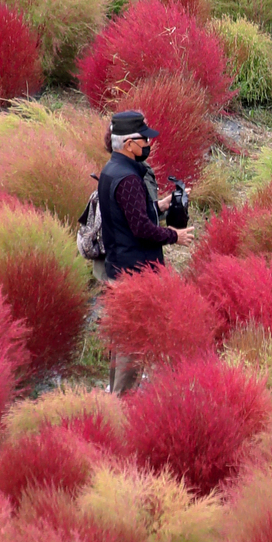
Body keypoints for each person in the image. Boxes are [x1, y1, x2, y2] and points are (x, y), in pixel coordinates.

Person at [96, 108, 188, 393]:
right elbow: (142, 230)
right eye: (143, 140)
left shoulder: (111, 171)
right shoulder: (129, 179)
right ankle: (121, 406)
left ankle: (115, 398)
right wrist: (175, 235)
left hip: (117, 268)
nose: (148, 144)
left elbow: (128, 216)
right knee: (132, 346)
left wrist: (159, 206)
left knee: (122, 340)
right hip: (134, 275)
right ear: (128, 143)